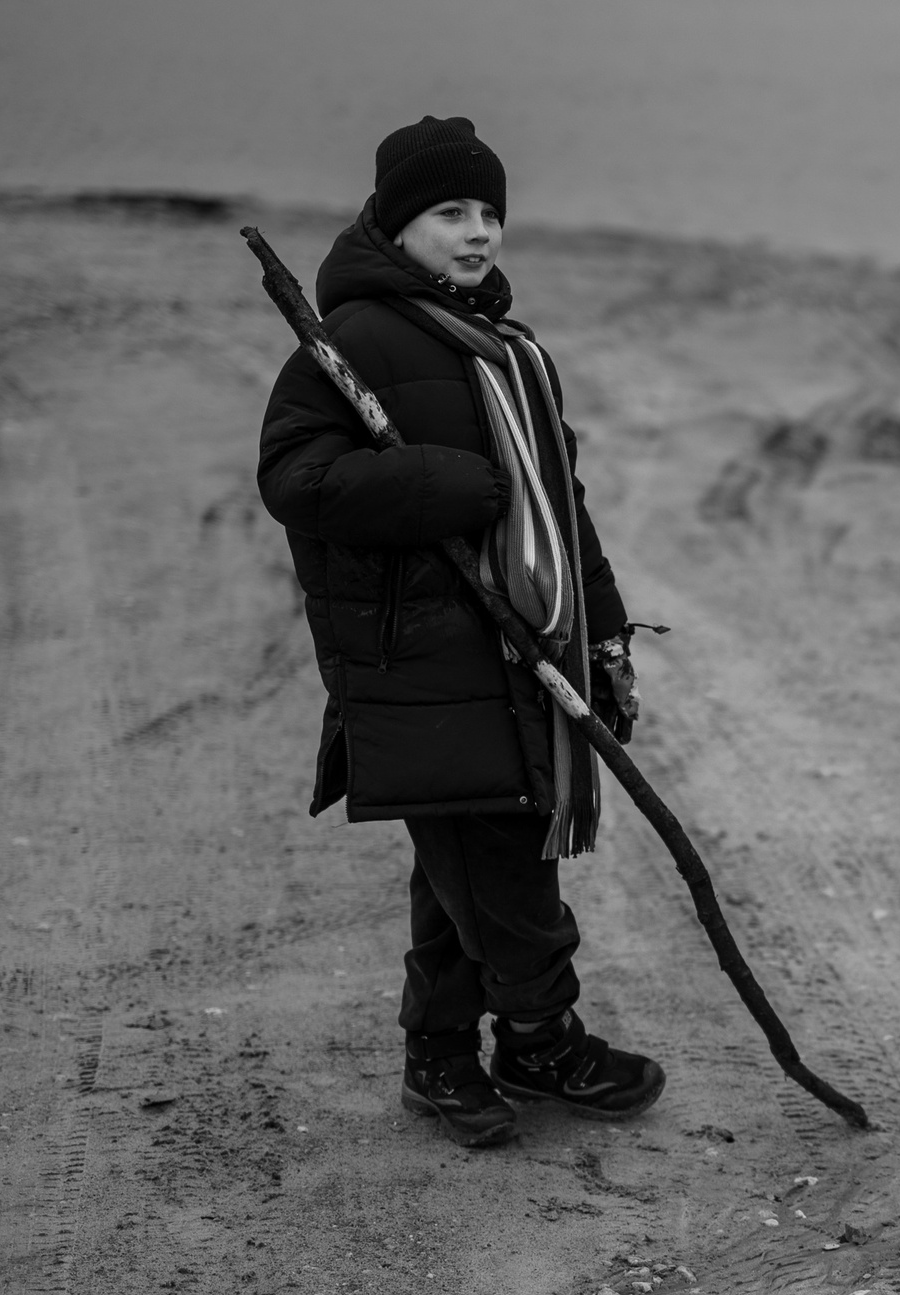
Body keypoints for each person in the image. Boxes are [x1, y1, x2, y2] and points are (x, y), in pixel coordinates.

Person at [257, 115, 665, 1146]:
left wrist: (603, 634)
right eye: (451, 212)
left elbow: (563, 509)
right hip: (422, 662)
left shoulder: (514, 354)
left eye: (490, 211)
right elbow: (294, 478)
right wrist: (437, 485)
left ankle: (439, 1055)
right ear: (397, 226)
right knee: (503, 874)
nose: (478, 231)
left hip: (519, 653)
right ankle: (541, 1036)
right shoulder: (352, 342)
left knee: (464, 868)